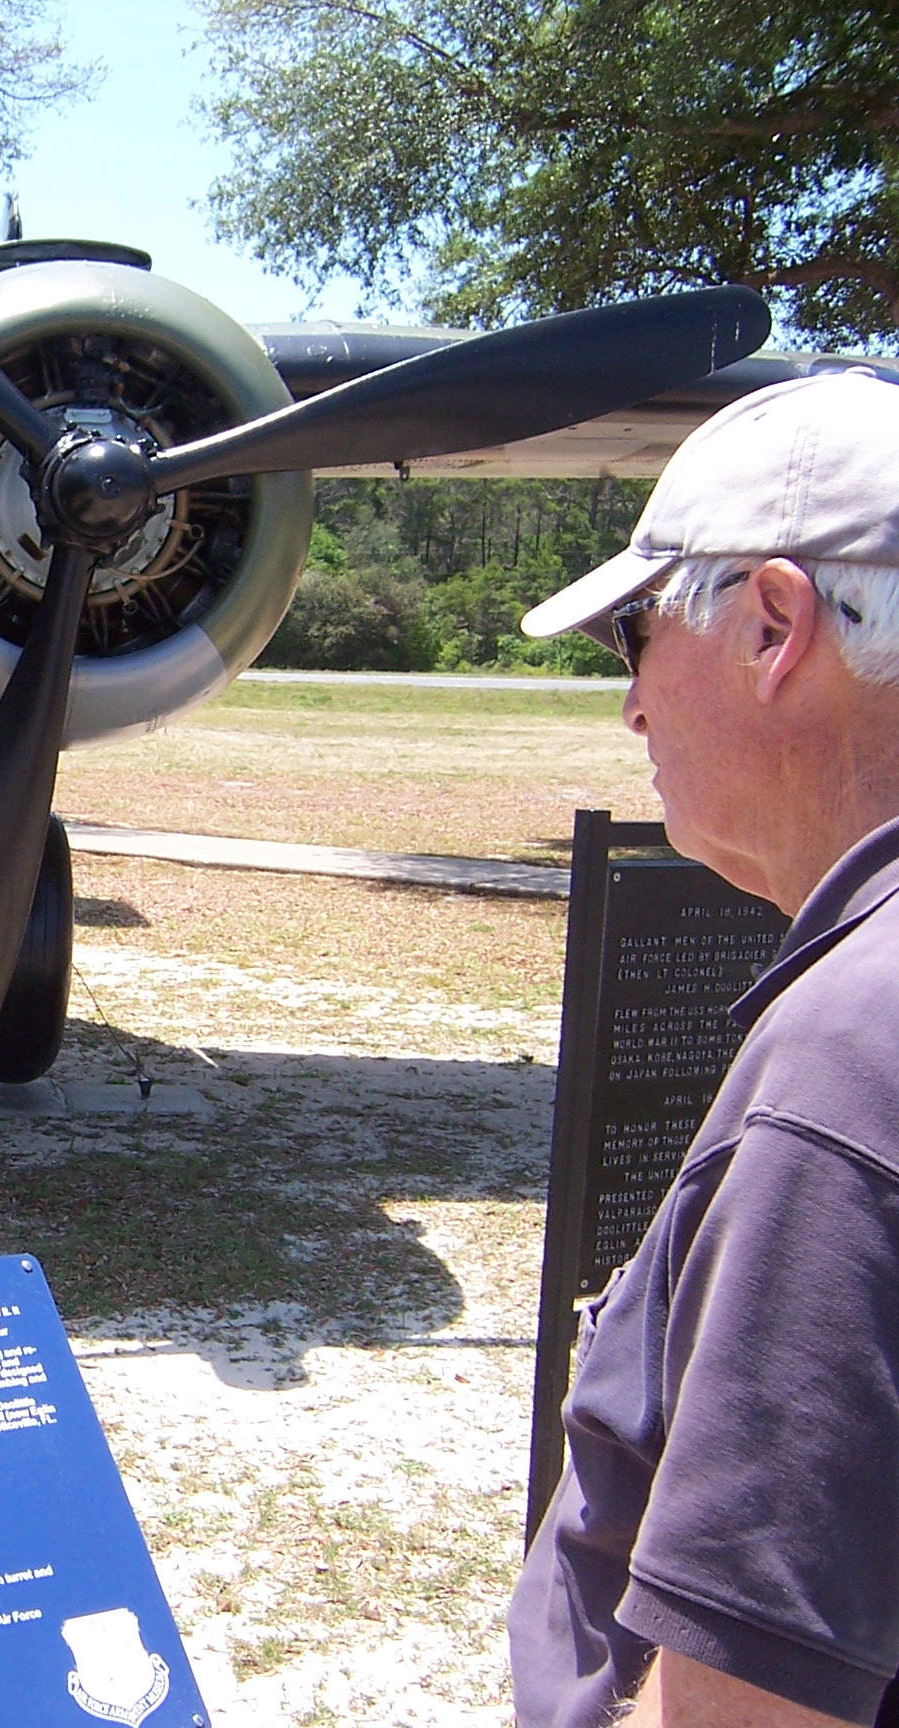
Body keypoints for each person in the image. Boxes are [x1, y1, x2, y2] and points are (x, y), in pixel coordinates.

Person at [508, 370, 899, 1727]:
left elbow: (754, 1698)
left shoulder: (849, 1060)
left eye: (636, 635)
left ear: (775, 626)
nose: (631, 708)